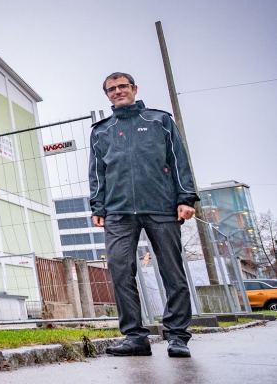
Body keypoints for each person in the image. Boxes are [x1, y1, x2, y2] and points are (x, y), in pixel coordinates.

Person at [89, 71, 197, 358]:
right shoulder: (101, 130)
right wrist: (97, 206)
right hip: (118, 210)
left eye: (122, 86)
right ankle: (135, 336)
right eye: (111, 89)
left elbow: (178, 161)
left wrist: (185, 197)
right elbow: (97, 172)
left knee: (172, 272)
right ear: (107, 95)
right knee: (121, 271)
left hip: (161, 206)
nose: (117, 91)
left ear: (134, 88)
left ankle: (177, 336)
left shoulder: (159, 121)